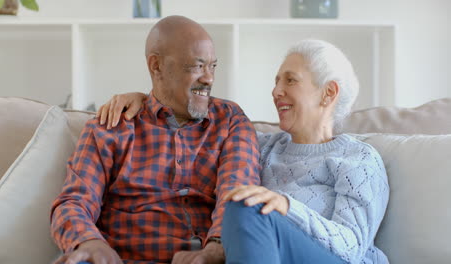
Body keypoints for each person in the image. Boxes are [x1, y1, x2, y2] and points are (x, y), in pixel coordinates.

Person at [98, 39, 390, 263]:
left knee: (245, 204)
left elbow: (352, 247)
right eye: (276, 81)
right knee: (242, 202)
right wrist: (147, 100)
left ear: (329, 93)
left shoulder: (357, 159)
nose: (276, 91)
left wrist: (286, 206)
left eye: (290, 80)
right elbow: (194, 134)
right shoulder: (261, 146)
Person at [50, 16, 261, 264]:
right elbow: (73, 202)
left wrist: (215, 249)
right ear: (156, 66)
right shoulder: (111, 126)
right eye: (197, 66)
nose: (209, 78)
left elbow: (236, 195)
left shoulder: (230, 120)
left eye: (213, 66)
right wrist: (89, 242)